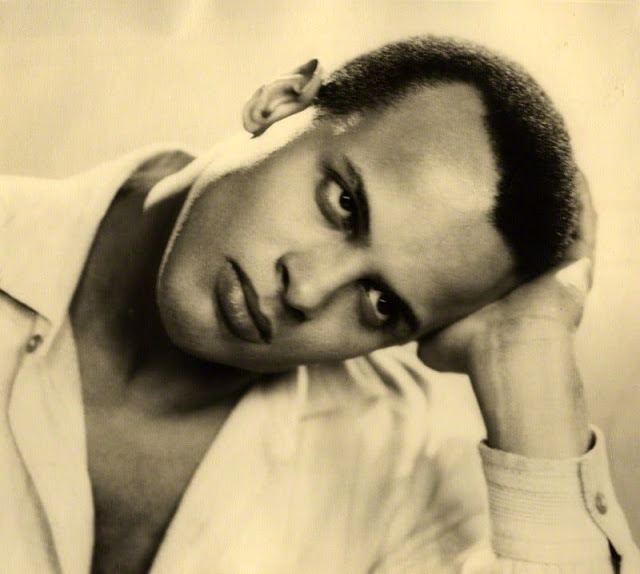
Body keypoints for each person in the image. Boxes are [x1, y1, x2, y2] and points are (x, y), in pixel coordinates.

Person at [1, 35, 637, 573]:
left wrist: (529, 345)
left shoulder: (404, 469)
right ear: (280, 102)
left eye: (382, 302)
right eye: (343, 205)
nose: (306, 292)